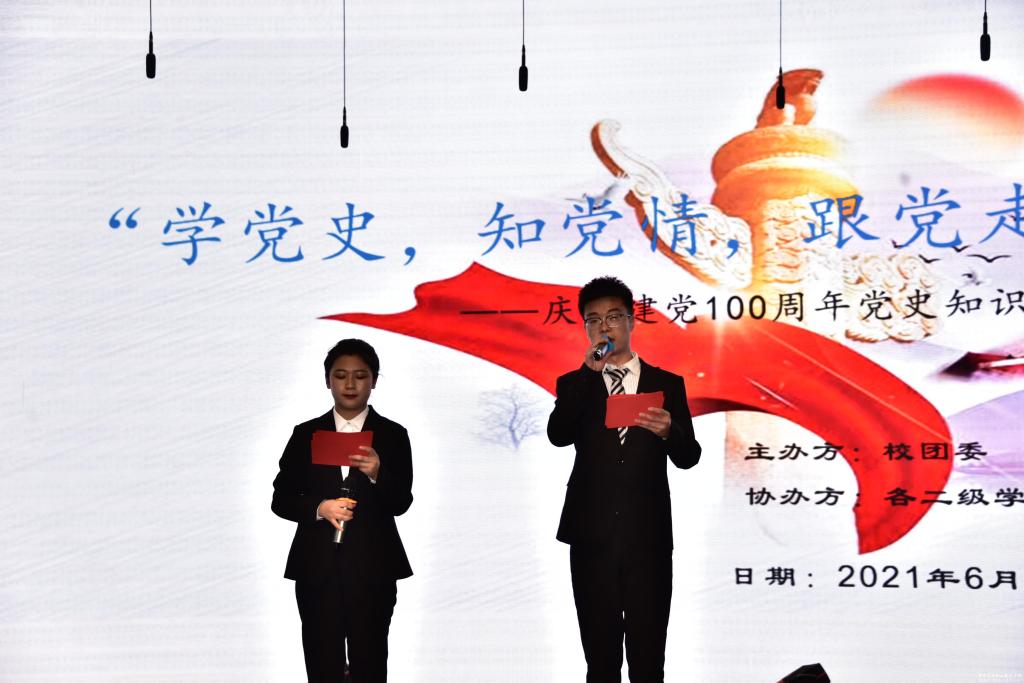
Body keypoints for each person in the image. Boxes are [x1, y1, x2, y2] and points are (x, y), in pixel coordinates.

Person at [547, 276, 702, 683]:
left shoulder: (667, 384)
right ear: (585, 327)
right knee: (600, 661)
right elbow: (558, 435)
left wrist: (669, 431)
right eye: (593, 319)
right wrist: (588, 374)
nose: (604, 327)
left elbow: (689, 457)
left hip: (647, 539)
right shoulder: (574, 383)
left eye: (613, 317)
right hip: (591, 537)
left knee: (648, 660)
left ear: (631, 322)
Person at [272, 338, 413, 683]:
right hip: (317, 568)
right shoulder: (306, 434)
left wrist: (378, 473)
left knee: (370, 665)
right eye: (340, 375)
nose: (350, 384)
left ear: (374, 380)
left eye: (360, 376)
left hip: (374, 571)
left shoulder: (393, 435)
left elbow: (401, 502)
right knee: (323, 666)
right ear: (327, 380)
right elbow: (281, 498)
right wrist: (320, 507)